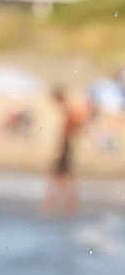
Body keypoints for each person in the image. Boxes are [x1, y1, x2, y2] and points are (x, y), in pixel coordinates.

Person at [44, 86, 93, 216]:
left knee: (59, 177)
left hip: (67, 146)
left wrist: (73, 135)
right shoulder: (69, 108)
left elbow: (79, 122)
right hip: (67, 146)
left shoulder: (69, 109)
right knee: (64, 177)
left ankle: (56, 206)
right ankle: (66, 206)